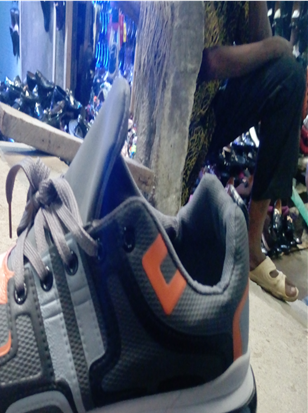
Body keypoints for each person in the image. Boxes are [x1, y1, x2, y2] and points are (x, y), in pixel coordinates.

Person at [116, 0, 306, 302]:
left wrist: (268, 37)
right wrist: (274, 47)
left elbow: (261, 45)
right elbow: (202, 63)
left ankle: (252, 248)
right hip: (170, 109)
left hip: (209, 110)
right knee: (157, 233)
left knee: (288, 76)